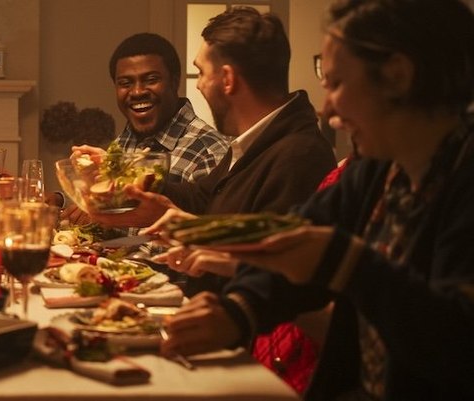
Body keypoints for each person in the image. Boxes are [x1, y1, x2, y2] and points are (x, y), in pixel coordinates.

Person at [162, 0, 474, 399]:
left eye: (338, 84)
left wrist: (346, 262)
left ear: (397, 76)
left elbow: (458, 345)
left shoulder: (462, 176)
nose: (327, 111)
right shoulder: (378, 168)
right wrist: (240, 310)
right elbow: (299, 233)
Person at [82, 7, 335, 282]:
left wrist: (183, 228)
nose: (200, 85)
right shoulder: (254, 142)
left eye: (201, 72)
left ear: (227, 79)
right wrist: (124, 177)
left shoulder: (298, 156)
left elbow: (272, 276)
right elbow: (203, 199)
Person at [109, 33, 228, 185]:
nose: (137, 92)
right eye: (125, 83)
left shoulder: (209, 153)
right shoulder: (119, 146)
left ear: (174, 82)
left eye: (151, 80)